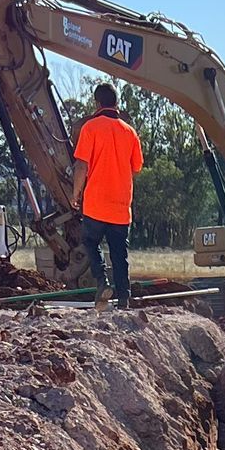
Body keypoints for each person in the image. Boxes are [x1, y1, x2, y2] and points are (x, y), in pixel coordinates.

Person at [71, 83, 144, 307]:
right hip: (121, 207)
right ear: (116, 103)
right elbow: (137, 167)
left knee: (90, 242)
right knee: (120, 255)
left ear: (97, 103)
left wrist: (76, 194)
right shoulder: (130, 132)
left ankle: (102, 283)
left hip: (95, 204)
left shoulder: (90, 128)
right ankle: (124, 299)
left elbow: (81, 165)